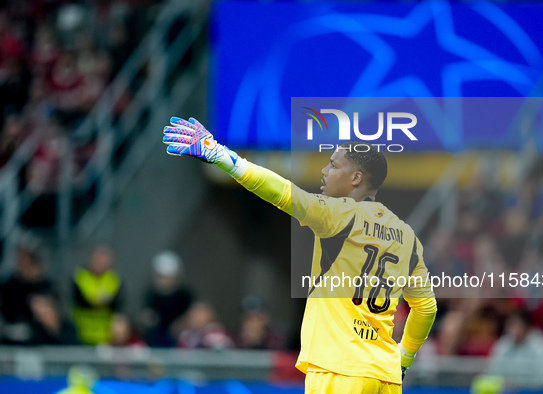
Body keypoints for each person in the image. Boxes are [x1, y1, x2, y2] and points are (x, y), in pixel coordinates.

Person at [162, 117, 437, 393]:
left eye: (333, 165)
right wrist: (405, 355)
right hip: (385, 376)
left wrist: (219, 154)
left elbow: (281, 192)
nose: (324, 171)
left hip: (339, 371)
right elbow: (426, 308)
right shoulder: (406, 236)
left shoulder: (338, 214)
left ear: (356, 178)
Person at [71, 245, 123, 345]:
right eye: (99, 261)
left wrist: (95, 301)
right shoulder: (80, 276)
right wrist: (100, 302)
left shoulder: (114, 279)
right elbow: (80, 301)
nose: (102, 264)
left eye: (105, 262)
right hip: (81, 333)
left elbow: (118, 303)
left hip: (106, 337)